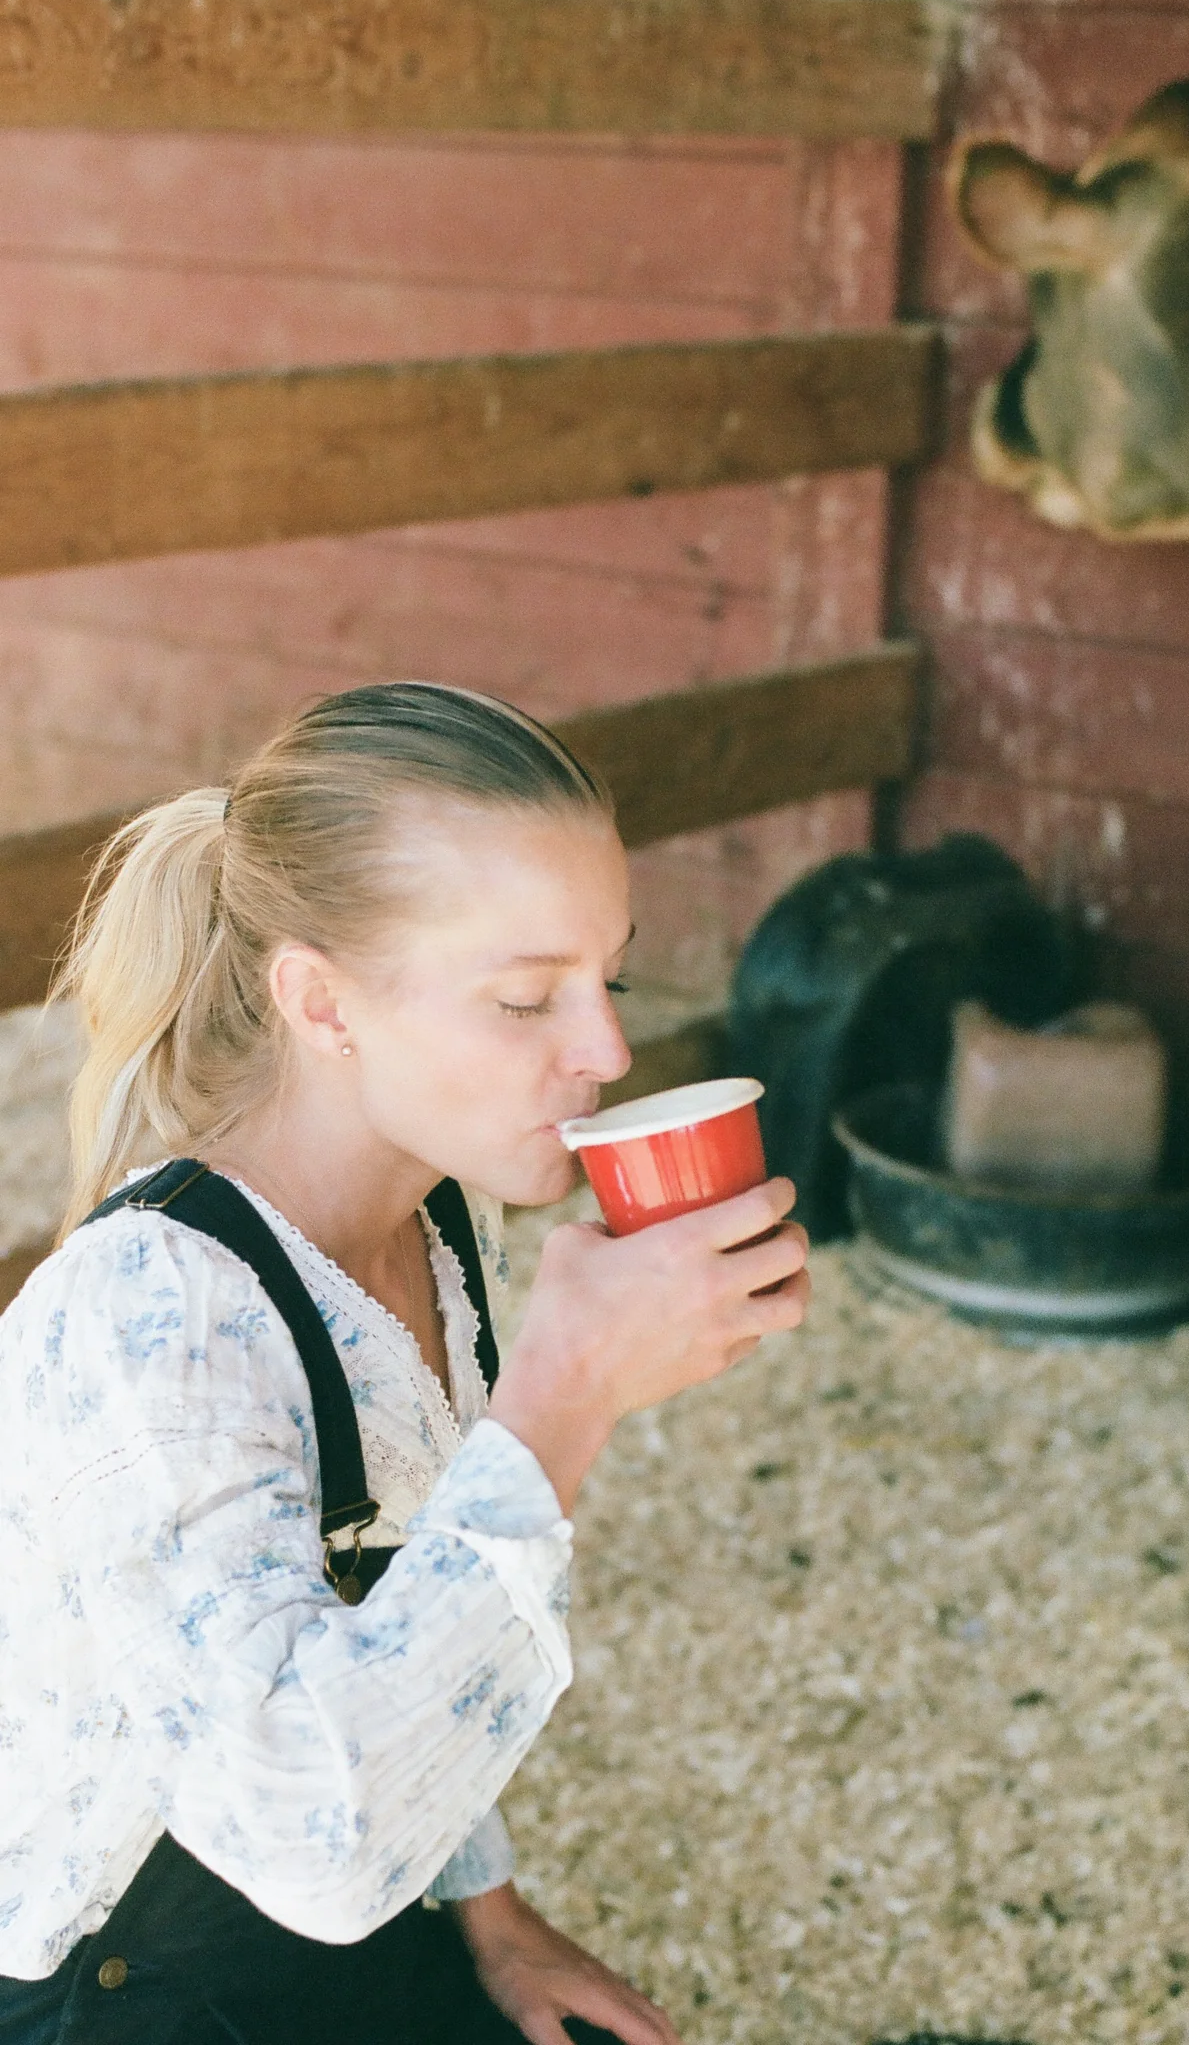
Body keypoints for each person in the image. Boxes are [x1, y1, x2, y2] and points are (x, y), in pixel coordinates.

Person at [0, 682, 811, 2045]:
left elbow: (387, 1613)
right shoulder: (153, 1312)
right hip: (97, 1985)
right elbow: (301, 1835)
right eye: (525, 998)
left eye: (607, 979)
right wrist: (562, 1400)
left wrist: (491, 1914)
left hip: (352, 1896)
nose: (607, 1050)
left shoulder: (442, 1220)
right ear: (321, 1003)